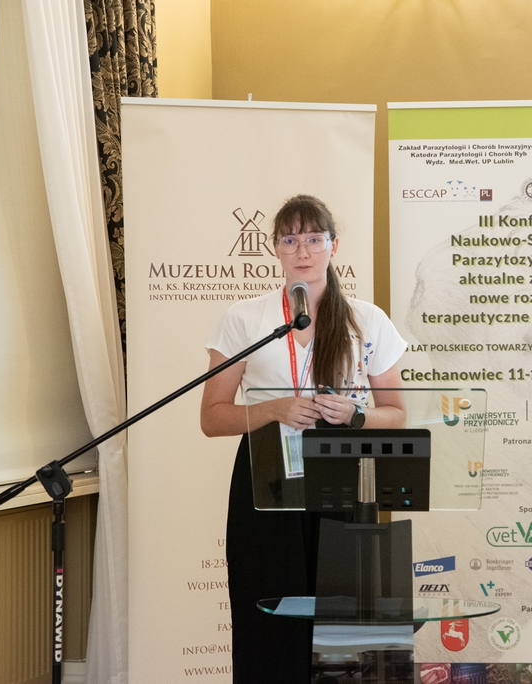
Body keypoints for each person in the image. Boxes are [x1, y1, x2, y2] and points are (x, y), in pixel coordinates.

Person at [200, 195, 407, 683]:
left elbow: (396, 414)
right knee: (268, 620)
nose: (303, 250)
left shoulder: (367, 319)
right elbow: (212, 417)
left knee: (347, 625)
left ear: (334, 245)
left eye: (314, 238)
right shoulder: (245, 318)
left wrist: (356, 414)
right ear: (275, 248)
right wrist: (273, 409)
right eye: (290, 240)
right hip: (267, 480)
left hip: (345, 478)